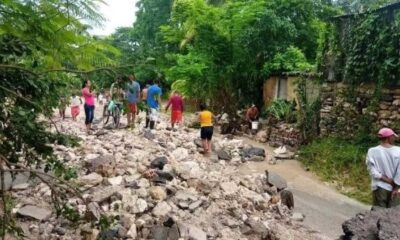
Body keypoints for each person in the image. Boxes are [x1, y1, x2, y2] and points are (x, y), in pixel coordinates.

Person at [366, 127, 400, 208]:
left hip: (379, 187)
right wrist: (396, 186)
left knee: (378, 213)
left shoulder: (372, 151)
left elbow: (372, 171)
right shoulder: (399, 151)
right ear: (388, 138)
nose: (394, 139)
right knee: (392, 215)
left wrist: (386, 180)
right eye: (393, 137)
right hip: (395, 189)